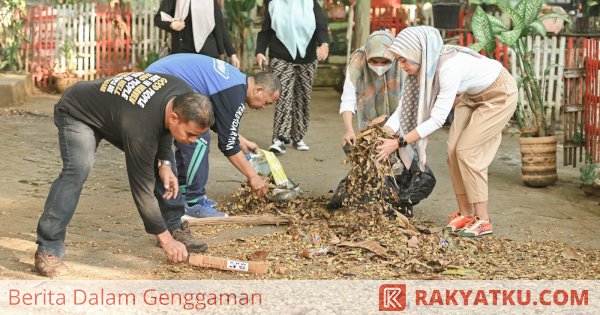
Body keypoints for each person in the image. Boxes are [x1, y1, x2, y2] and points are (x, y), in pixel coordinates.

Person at [35, 72, 214, 277]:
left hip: (117, 113)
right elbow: (142, 189)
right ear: (174, 117)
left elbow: (163, 126)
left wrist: (164, 162)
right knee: (76, 171)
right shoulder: (141, 129)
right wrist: (166, 242)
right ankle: (47, 248)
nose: (193, 140)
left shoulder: (183, 95)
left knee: (164, 167)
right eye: (190, 134)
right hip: (78, 111)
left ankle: (173, 226)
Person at [376, 26, 517, 237]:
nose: (402, 65)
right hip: (472, 96)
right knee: (452, 152)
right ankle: (466, 214)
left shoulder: (446, 69)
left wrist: (398, 143)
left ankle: (483, 220)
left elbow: (437, 119)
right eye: (399, 60)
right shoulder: (423, 66)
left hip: (499, 93)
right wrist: (386, 131)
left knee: (467, 152)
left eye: (404, 59)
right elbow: (405, 105)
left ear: (417, 53)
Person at [146, 54, 280, 218]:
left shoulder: (236, 83)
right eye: (267, 102)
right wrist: (253, 177)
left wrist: (240, 139)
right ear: (258, 90)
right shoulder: (234, 94)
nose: (265, 107)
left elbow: (219, 122)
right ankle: (193, 201)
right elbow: (228, 146)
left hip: (159, 77)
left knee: (198, 128)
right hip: (159, 83)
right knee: (199, 137)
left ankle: (182, 192)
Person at [256, 0, 329, 154]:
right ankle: (279, 138)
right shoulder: (274, 4)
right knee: (282, 95)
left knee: (303, 97)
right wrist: (260, 51)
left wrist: (324, 44)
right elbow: (265, 31)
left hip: (308, 58)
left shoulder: (311, 4)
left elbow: (321, 27)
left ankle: (298, 136)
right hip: (280, 56)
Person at [339, 29, 403, 146]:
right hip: (368, 125)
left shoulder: (402, 62)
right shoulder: (358, 61)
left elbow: (408, 103)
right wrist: (349, 130)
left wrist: (392, 130)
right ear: (367, 55)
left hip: (401, 123)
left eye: (385, 62)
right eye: (374, 61)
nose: (379, 67)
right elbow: (348, 97)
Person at [155, 0, 240, 68]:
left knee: (205, 88)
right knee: (184, 87)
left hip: (207, 54)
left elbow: (220, 26)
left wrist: (232, 54)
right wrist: (171, 24)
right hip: (182, 53)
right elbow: (158, 18)